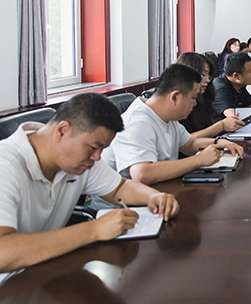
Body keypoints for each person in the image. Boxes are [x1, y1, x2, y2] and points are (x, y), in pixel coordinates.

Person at [0, 93, 180, 276]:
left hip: (44, 272)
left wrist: (153, 196)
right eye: (94, 147)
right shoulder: (5, 165)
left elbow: (119, 188)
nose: (97, 157)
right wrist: (94, 230)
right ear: (62, 131)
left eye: (102, 149)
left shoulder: (76, 159)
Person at [102, 64, 244, 185]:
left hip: (158, 193)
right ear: (175, 96)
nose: (195, 103)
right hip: (124, 205)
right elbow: (142, 174)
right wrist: (198, 160)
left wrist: (218, 142)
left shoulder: (166, 117)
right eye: (193, 98)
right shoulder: (138, 122)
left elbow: (189, 144)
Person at [175, 52, 245, 135]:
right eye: (203, 75)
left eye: (208, 76)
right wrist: (221, 126)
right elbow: (187, 140)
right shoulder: (179, 105)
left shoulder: (204, 98)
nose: (207, 80)